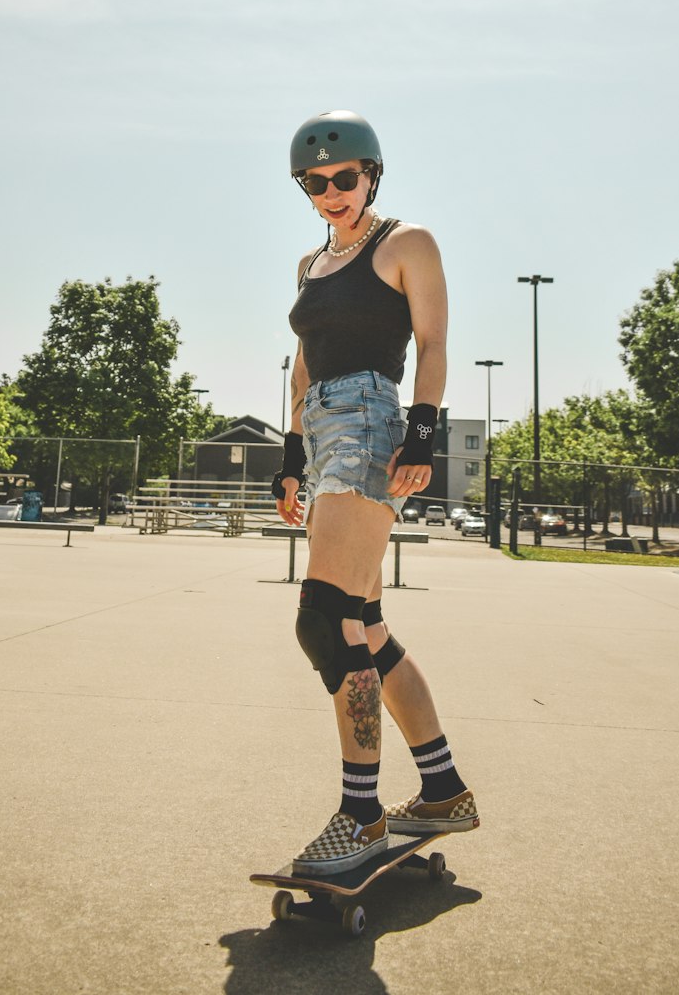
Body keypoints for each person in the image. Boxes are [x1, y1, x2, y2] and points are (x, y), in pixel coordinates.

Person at [273, 110, 478, 876]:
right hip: (323, 424)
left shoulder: (406, 243)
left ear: (373, 174)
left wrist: (422, 432)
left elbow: (432, 342)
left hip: (369, 417)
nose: (331, 193)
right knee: (365, 623)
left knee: (325, 620)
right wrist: (291, 452)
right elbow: (301, 366)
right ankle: (443, 788)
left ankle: (361, 813)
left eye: (344, 179)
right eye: (315, 183)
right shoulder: (310, 265)